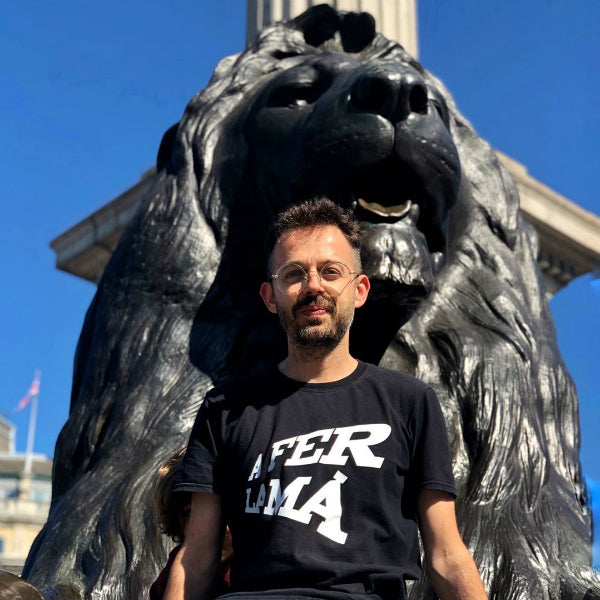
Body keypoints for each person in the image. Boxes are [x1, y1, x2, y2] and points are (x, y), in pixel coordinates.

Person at [165, 198, 488, 600]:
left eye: (331, 272)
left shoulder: (411, 402)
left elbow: (446, 554)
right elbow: (196, 557)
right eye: (294, 274)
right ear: (270, 296)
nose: (313, 285)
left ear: (360, 290)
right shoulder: (224, 408)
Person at [151, 448, 233, 600]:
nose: (208, 521)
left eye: (224, 507)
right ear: (178, 522)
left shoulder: (254, 564)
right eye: (190, 513)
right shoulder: (178, 568)